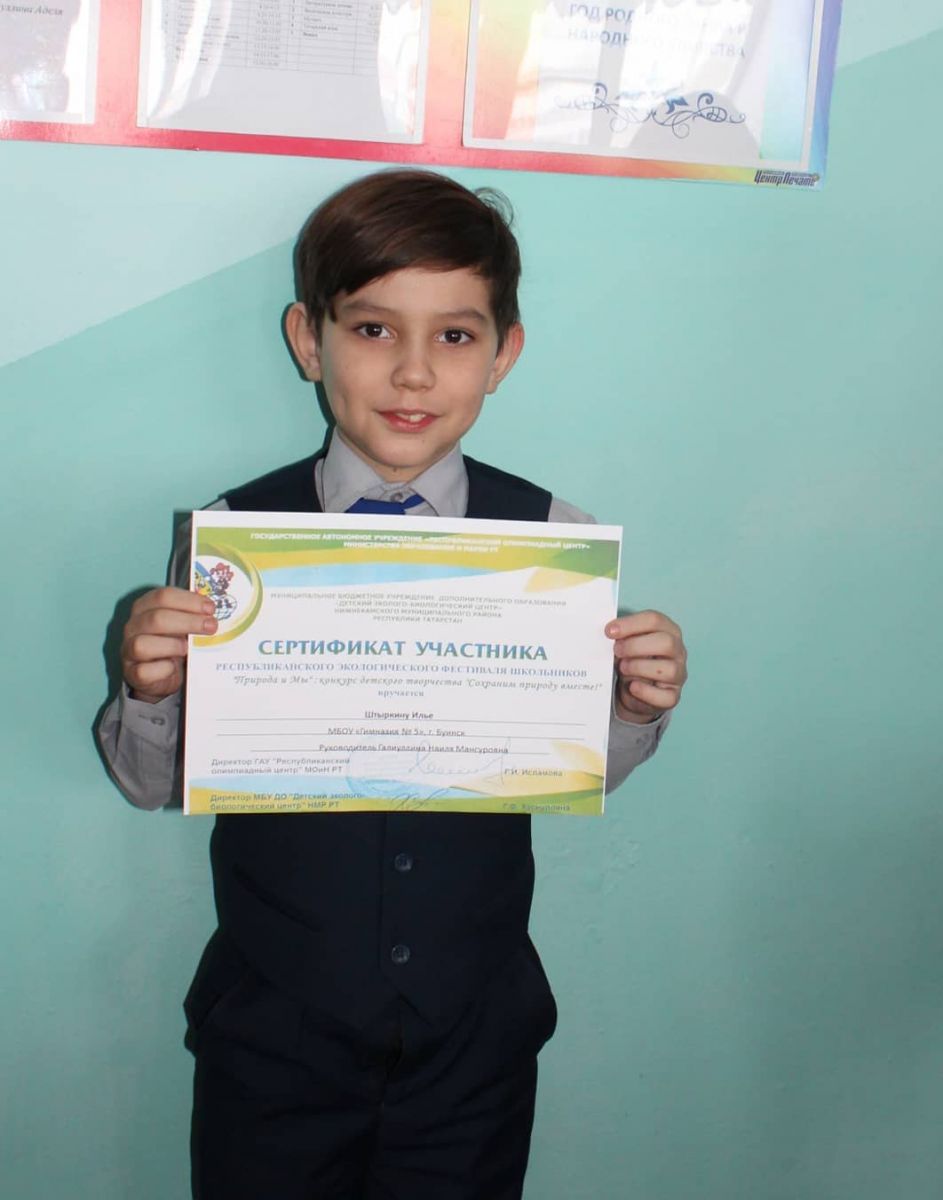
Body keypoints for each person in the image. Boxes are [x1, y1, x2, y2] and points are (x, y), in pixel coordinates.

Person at [98, 169, 687, 1200]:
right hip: (273, 1032)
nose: (412, 372)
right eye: (372, 329)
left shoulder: (553, 541)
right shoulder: (236, 538)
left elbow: (566, 767)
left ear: (502, 355)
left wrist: (631, 708)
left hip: (474, 1039)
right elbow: (150, 783)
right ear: (307, 340)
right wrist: (150, 690)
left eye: (454, 336)